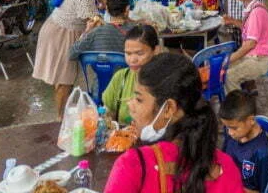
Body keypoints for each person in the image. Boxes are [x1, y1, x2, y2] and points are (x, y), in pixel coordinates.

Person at [103, 53, 244, 193]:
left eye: (139, 100)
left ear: (168, 108)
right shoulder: (227, 167)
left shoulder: (133, 166)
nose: (130, 105)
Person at [33, 0, 114, 118]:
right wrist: (116, 28)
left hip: (64, 30)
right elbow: (94, 21)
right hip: (60, 33)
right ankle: (60, 120)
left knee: (64, 78)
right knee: (65, 80)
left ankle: (61, 116)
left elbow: (105, 0)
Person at [219, 91, 268, 193]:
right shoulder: (233, 134)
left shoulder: (262, 154)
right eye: (227, 127)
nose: (230, 132)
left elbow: (267, 190)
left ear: (251, 120)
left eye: (234, 128)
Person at [101, 25, 159, 125]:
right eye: (128, 53)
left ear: (156, 50)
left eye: (139, 53)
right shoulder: (120, 77)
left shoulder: (164, 80)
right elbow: (108, 113)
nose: (132, 60)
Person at [225, 0, 268, 93]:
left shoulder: (256, 13)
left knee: (229, 76)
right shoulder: (255, 7)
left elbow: (249, 45)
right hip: (257, 55)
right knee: (223, 69)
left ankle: (238, 108)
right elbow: (250, 29)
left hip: (260, 60)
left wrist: (230, 58)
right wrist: (232, 21)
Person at [70, 0, 138, 60]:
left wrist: (86, 31)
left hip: (99, 70)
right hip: (128, 70)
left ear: (107, 9)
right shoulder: (136, 32)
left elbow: (72, 53)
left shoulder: (95, 32)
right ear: (127, 9)